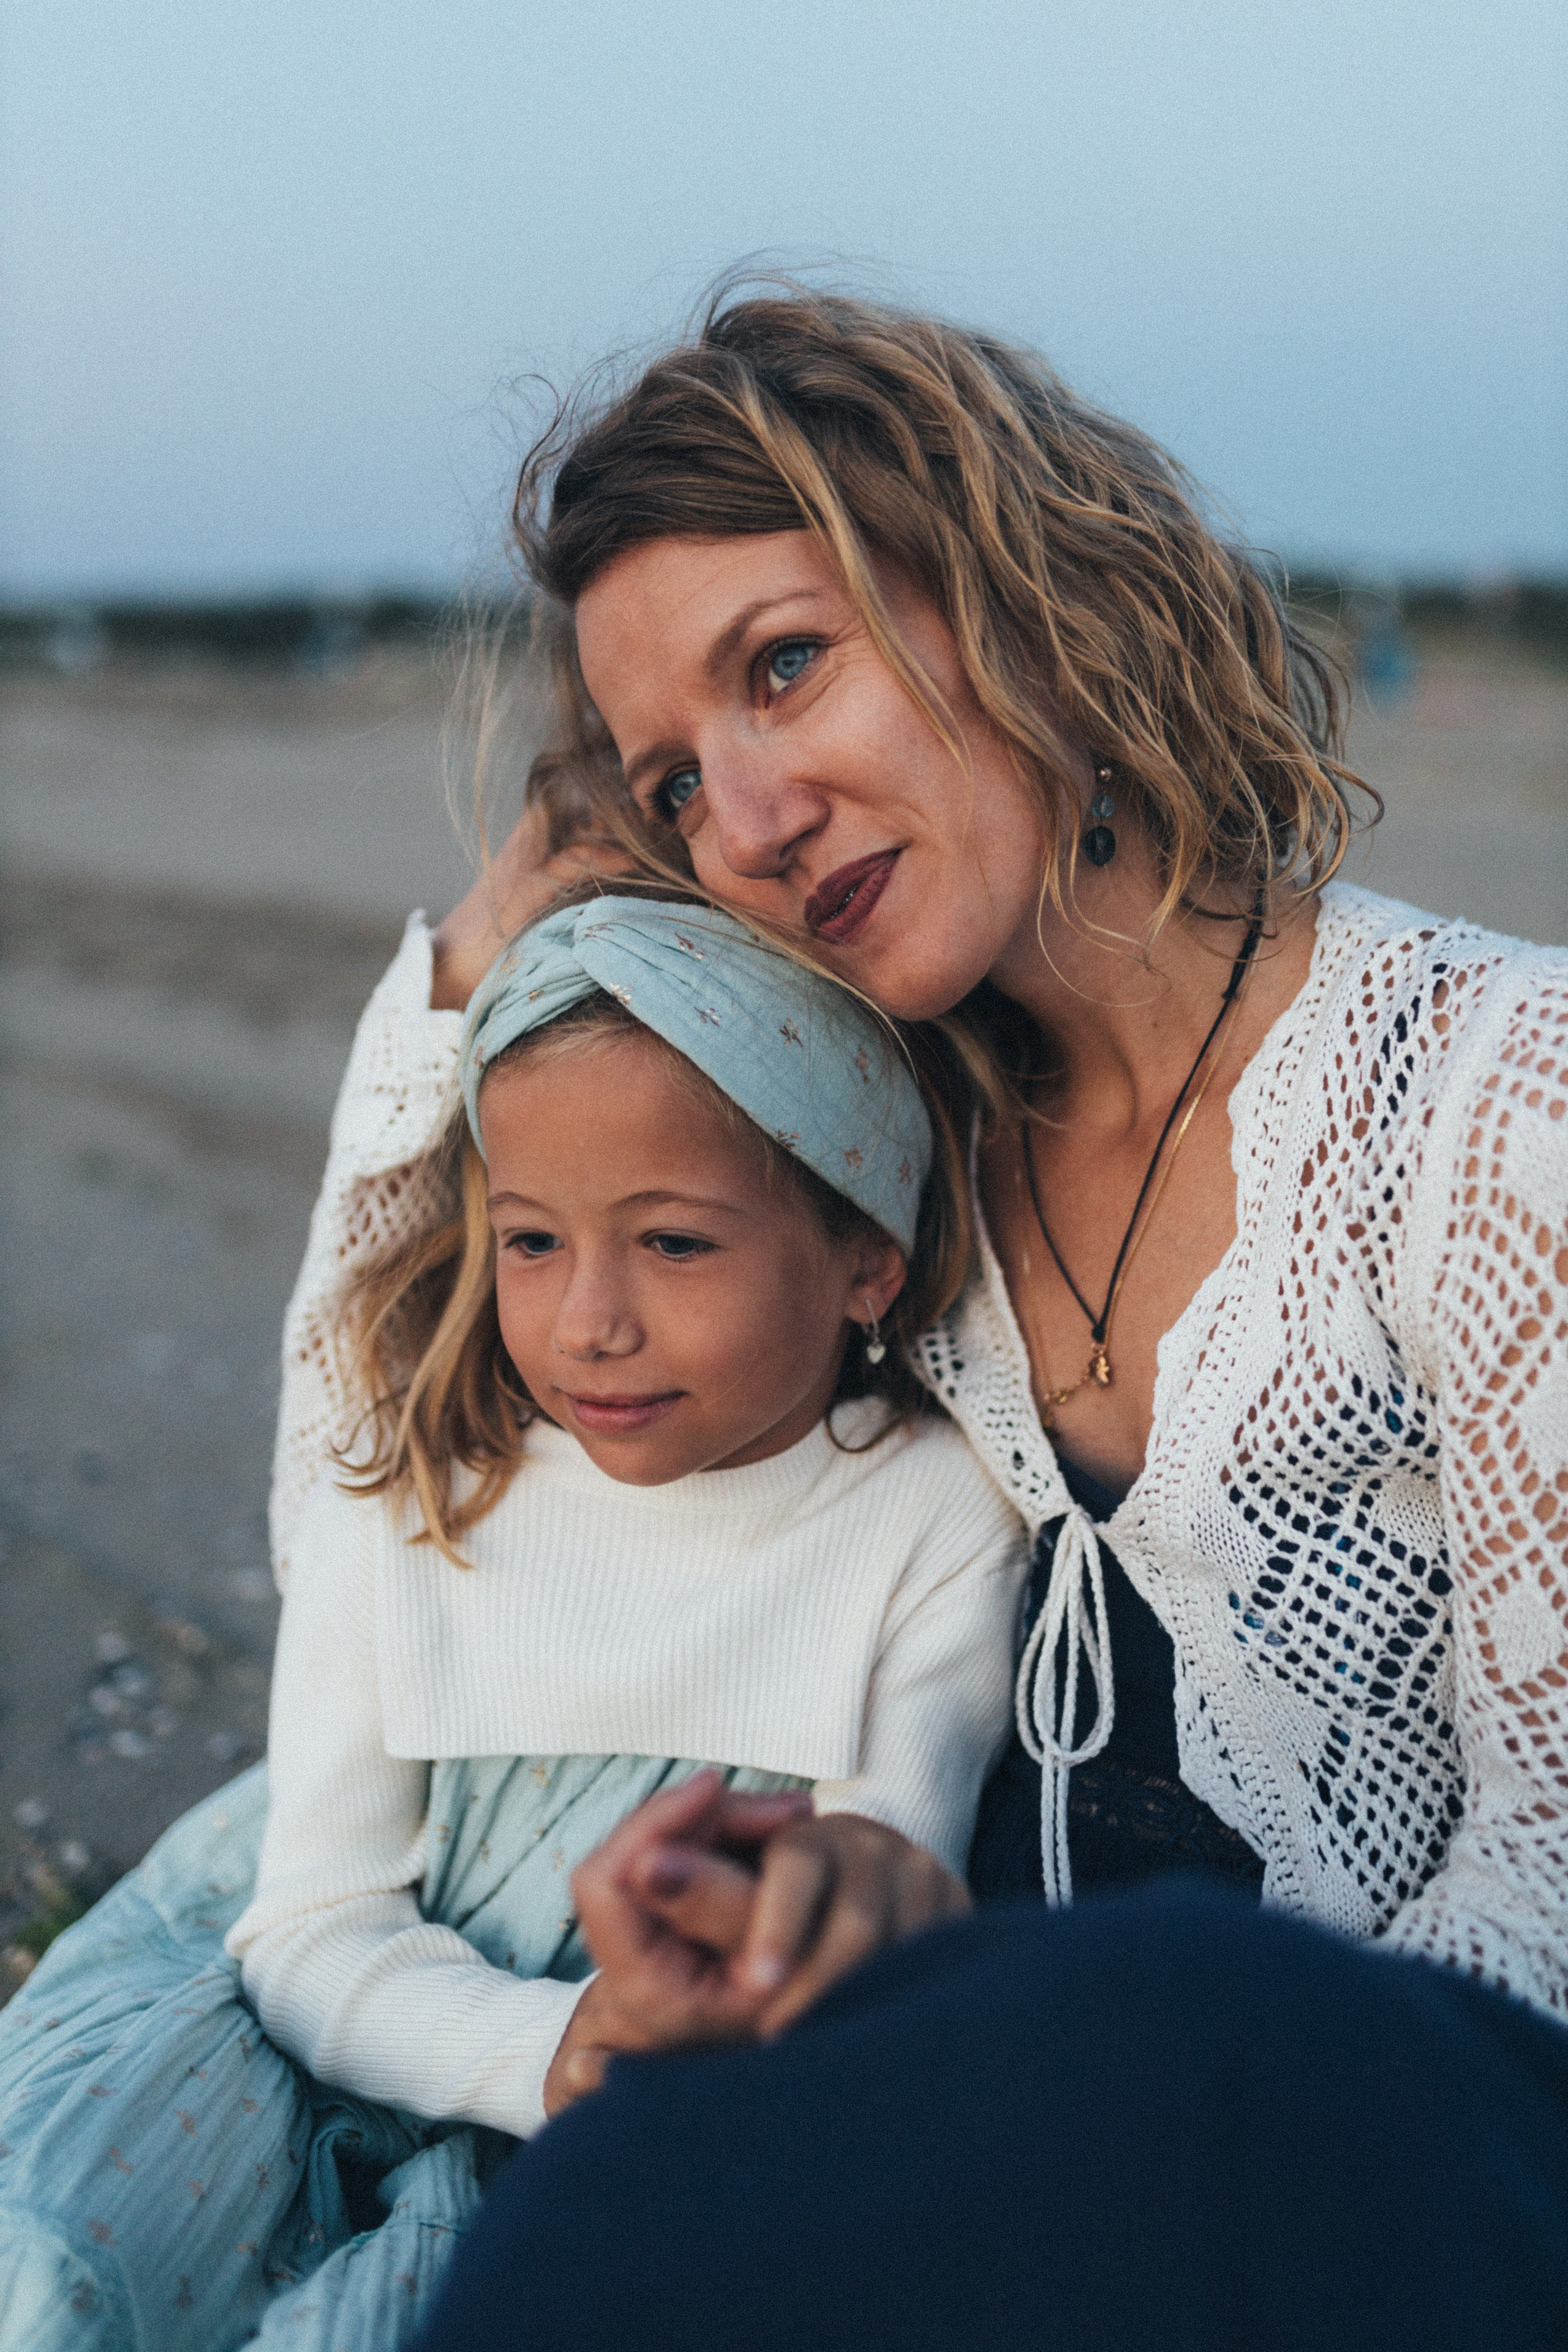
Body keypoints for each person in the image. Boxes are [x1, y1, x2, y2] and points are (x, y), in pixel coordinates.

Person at [383, 287, 1566, 2346]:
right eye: (673, 787)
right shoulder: (882, 1166)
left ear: (1011, 586)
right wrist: (833, 1902)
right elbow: (468, 1360)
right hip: (1069, 2053)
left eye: (788, 666)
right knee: (586, 2222)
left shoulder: (1495, 1099)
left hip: (1406, 2113)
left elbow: (1557, 1867)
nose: (749, 824)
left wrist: (1125, 2063)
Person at [0, 891, 1025, 2350]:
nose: (587, 1323)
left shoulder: (926, 1512)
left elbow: (879, 1873)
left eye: (673, 1245)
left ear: (866, 1252)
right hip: (305, 2014)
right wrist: (545, 2045)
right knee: (51, 2255)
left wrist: (687, 2015)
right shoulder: (419, 1490)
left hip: (666, 2080)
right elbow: (311, 1925)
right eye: (534, 1243)